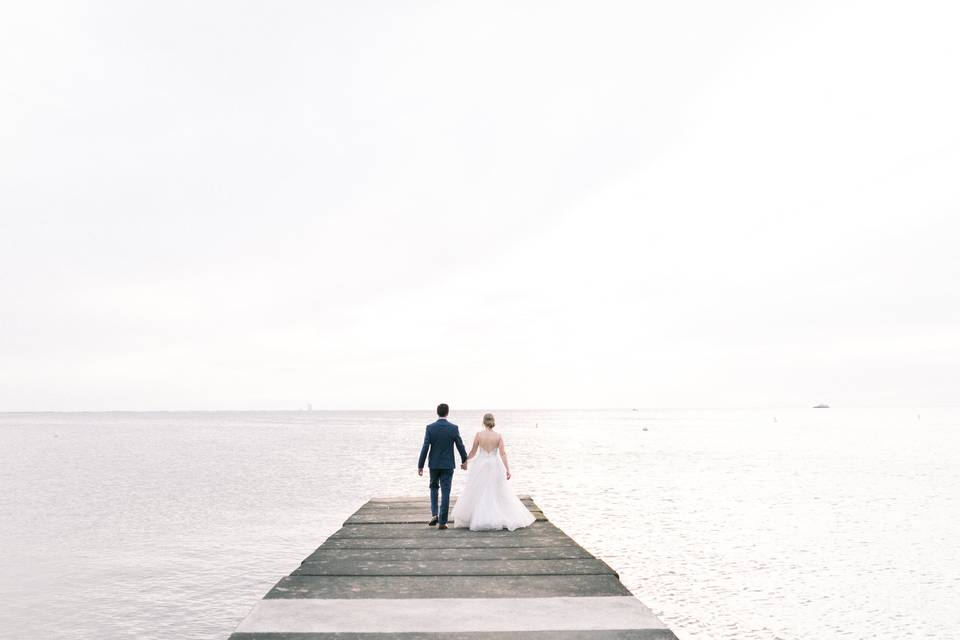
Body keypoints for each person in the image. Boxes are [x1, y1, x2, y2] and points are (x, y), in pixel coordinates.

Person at [452, 412, 535, 531]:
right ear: (493, 422)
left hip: (480, 465)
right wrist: (507, 469)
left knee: (478, 490)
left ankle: (477, 517)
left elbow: (473, 452)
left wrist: (465, 461)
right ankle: (496, 516)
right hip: (495, 465)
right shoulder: (498, 436)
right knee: (496, 491)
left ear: (483, 422)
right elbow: (502, 454)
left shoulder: (479, 435)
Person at [417, 403, 468, 529]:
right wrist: (464, 460)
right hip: (447, 465)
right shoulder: (453, 428)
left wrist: (420, 465)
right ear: (447, 412)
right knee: (446, 491)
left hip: (433, 464)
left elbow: (425, 447)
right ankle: (443, 522)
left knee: (433, 488)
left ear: (437, 412)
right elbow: (460, 446)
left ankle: (434, 514)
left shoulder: (430, 428)